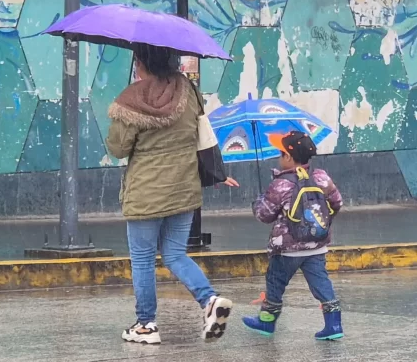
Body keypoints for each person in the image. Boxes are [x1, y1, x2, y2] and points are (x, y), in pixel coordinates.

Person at [106, 44, 233, 345]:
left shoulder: (132, 99)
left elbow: (118, 148)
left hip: (146, 193)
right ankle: (209, 300)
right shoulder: (188, 91)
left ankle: (146, 325)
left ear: (140, 62)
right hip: (184, 189)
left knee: (143, 259)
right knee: (175, 254)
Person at [242, 131, 344, 340]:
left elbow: (264, 215)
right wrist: (317, 225)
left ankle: (267, 321)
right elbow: (337, 203)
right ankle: (334, 325)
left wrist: (259, 201)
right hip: (317, 245)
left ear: (288, 157)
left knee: (275, 283)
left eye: (280, 154)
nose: (279, 158)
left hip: (286, 249)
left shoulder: (282, 184)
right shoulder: (321, 176)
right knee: (321, 283)